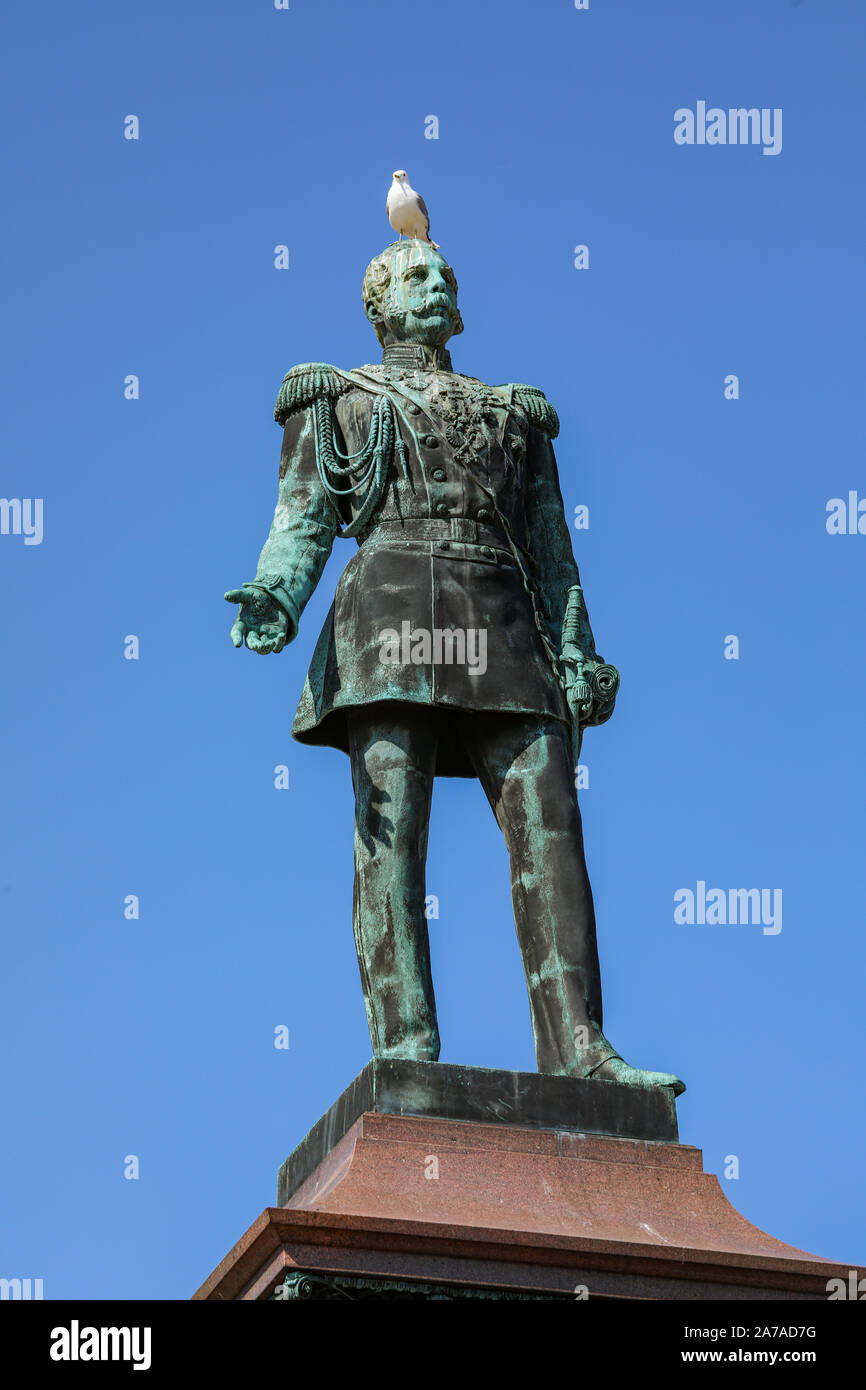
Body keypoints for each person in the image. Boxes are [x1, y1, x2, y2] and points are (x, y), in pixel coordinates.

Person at [225, 239, 684, 1094]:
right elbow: (303, 519)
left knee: (551, 828)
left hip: (505, 621)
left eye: (442, 277)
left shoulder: (514, 414)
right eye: (413, 278)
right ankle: (405, 1048)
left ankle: (580, 1048)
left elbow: (554, 554)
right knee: (391, 837)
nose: (433, 286)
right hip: (390, 615)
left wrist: (577, 648)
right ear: (380, 306)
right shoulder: (338, 401)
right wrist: (276, 594)